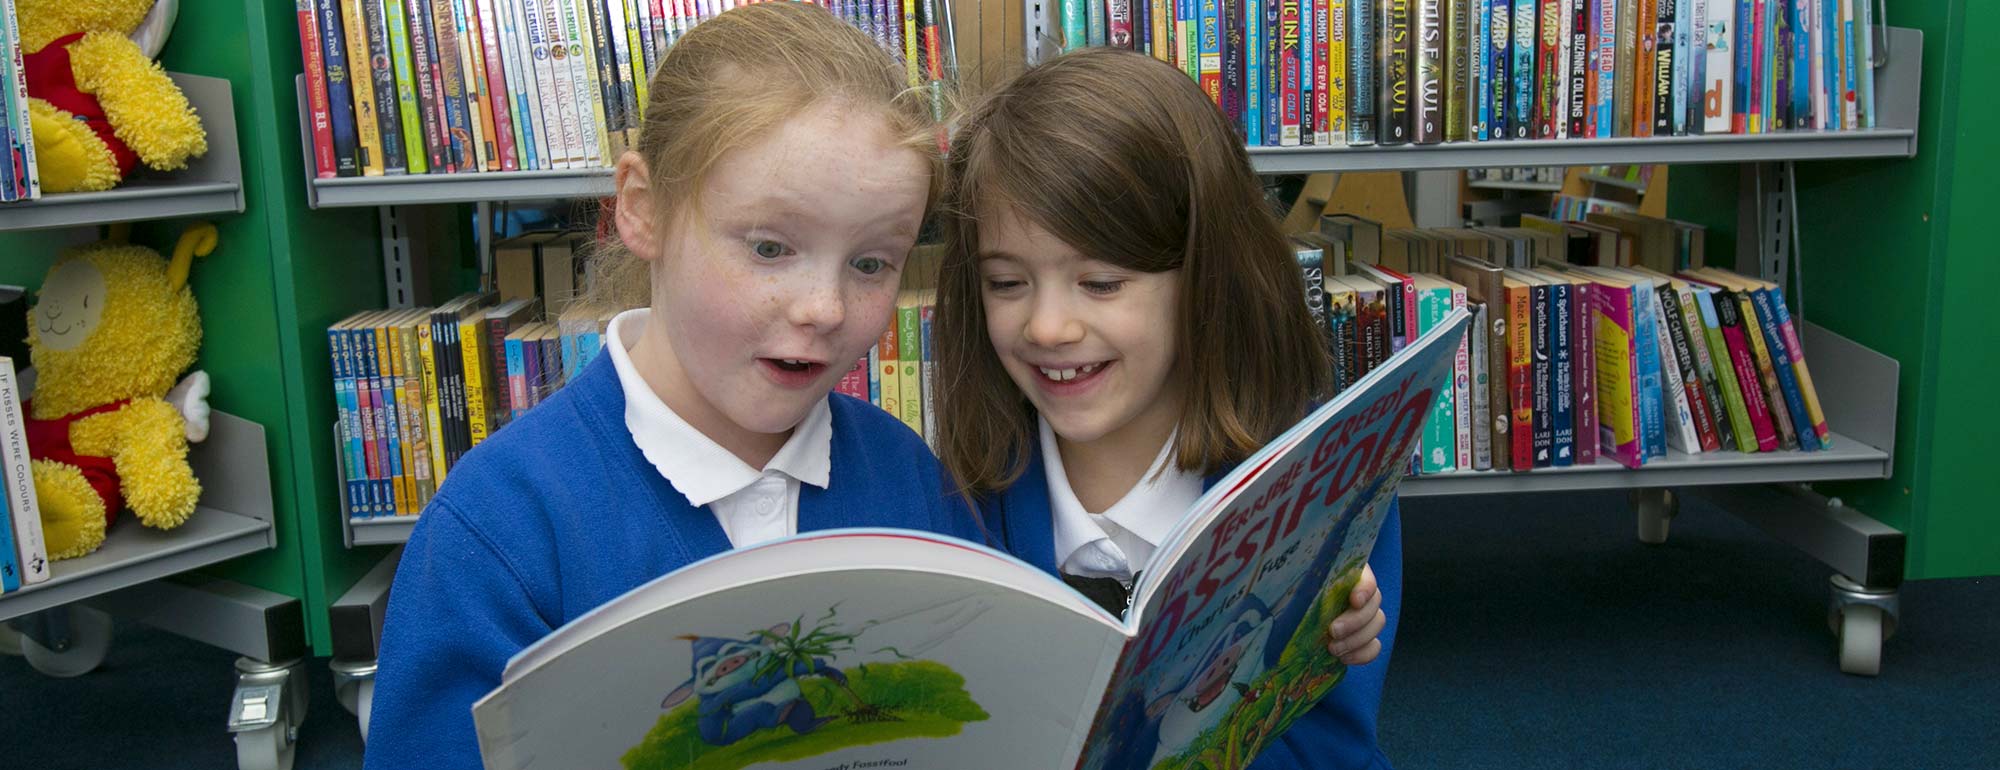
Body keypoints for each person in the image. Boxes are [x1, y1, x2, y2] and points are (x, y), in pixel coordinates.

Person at [362, 5, 978, 768]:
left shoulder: (906, 476)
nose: (823, 308)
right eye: (769, 246)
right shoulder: (502, 528)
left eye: (872, 263)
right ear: (642, 209)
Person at [931, 47, 1400, 770]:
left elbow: (1333, 747)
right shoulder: (960, 502)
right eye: (1005, 282)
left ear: (1206, 278)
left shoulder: (1326, 483)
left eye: (1101, 282)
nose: (1048, 327)